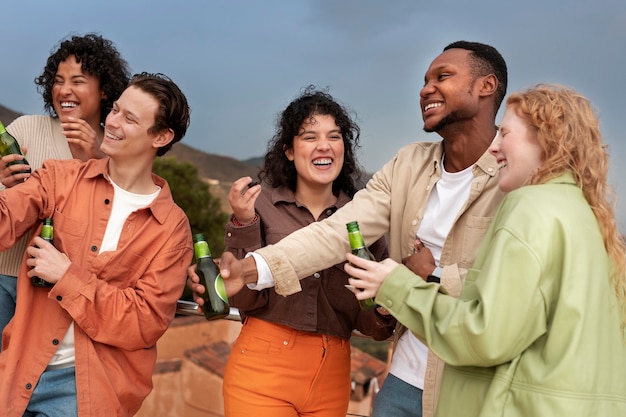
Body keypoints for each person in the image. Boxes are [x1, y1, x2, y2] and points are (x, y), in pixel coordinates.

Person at [189, 41, 508, 417]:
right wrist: (248, 265)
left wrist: (422, 281)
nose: (425, 88)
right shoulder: (408, 165)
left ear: (486, 86)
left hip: (471, 382)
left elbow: (512, 290)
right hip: (400, 381)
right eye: (309, 136)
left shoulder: (516, 173)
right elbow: (332, 235)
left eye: (443, 76)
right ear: (288, 150)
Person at [345, 83, 626, 416]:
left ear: (545, 138)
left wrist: (394, 284)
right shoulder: (588, 218)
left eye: (505, 134)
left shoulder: (529, 207)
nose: (494, 149)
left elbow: (483, 336)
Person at [0, 72, 193, 416]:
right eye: (115, 110)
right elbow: (7, 215)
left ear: (161, 136)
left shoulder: (172, 230)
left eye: (129, 118)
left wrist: (66, 276)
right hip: (18, 370)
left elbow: (143, 322)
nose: (112, 122)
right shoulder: (61, 177)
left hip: (90, 390)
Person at [221, 86, 394, 417]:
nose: (324, 145)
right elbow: (242, 298)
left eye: (334, 135)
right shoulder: (260, 206)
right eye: (309, 137)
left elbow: (369, 322)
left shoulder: (364, 216)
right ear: (289, 150)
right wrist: (243, 225)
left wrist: (385, 310)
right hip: (262, 370)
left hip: (333, 373)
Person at [0, 33, 131, 348]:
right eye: (58, 81)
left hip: (57, 287)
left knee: (33, 383)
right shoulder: (25, 128)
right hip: (3, 276)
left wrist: (96, 157)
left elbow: (120, 222)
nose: (65, 90)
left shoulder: (118, 150)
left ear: (104, 91)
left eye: (78, 80)